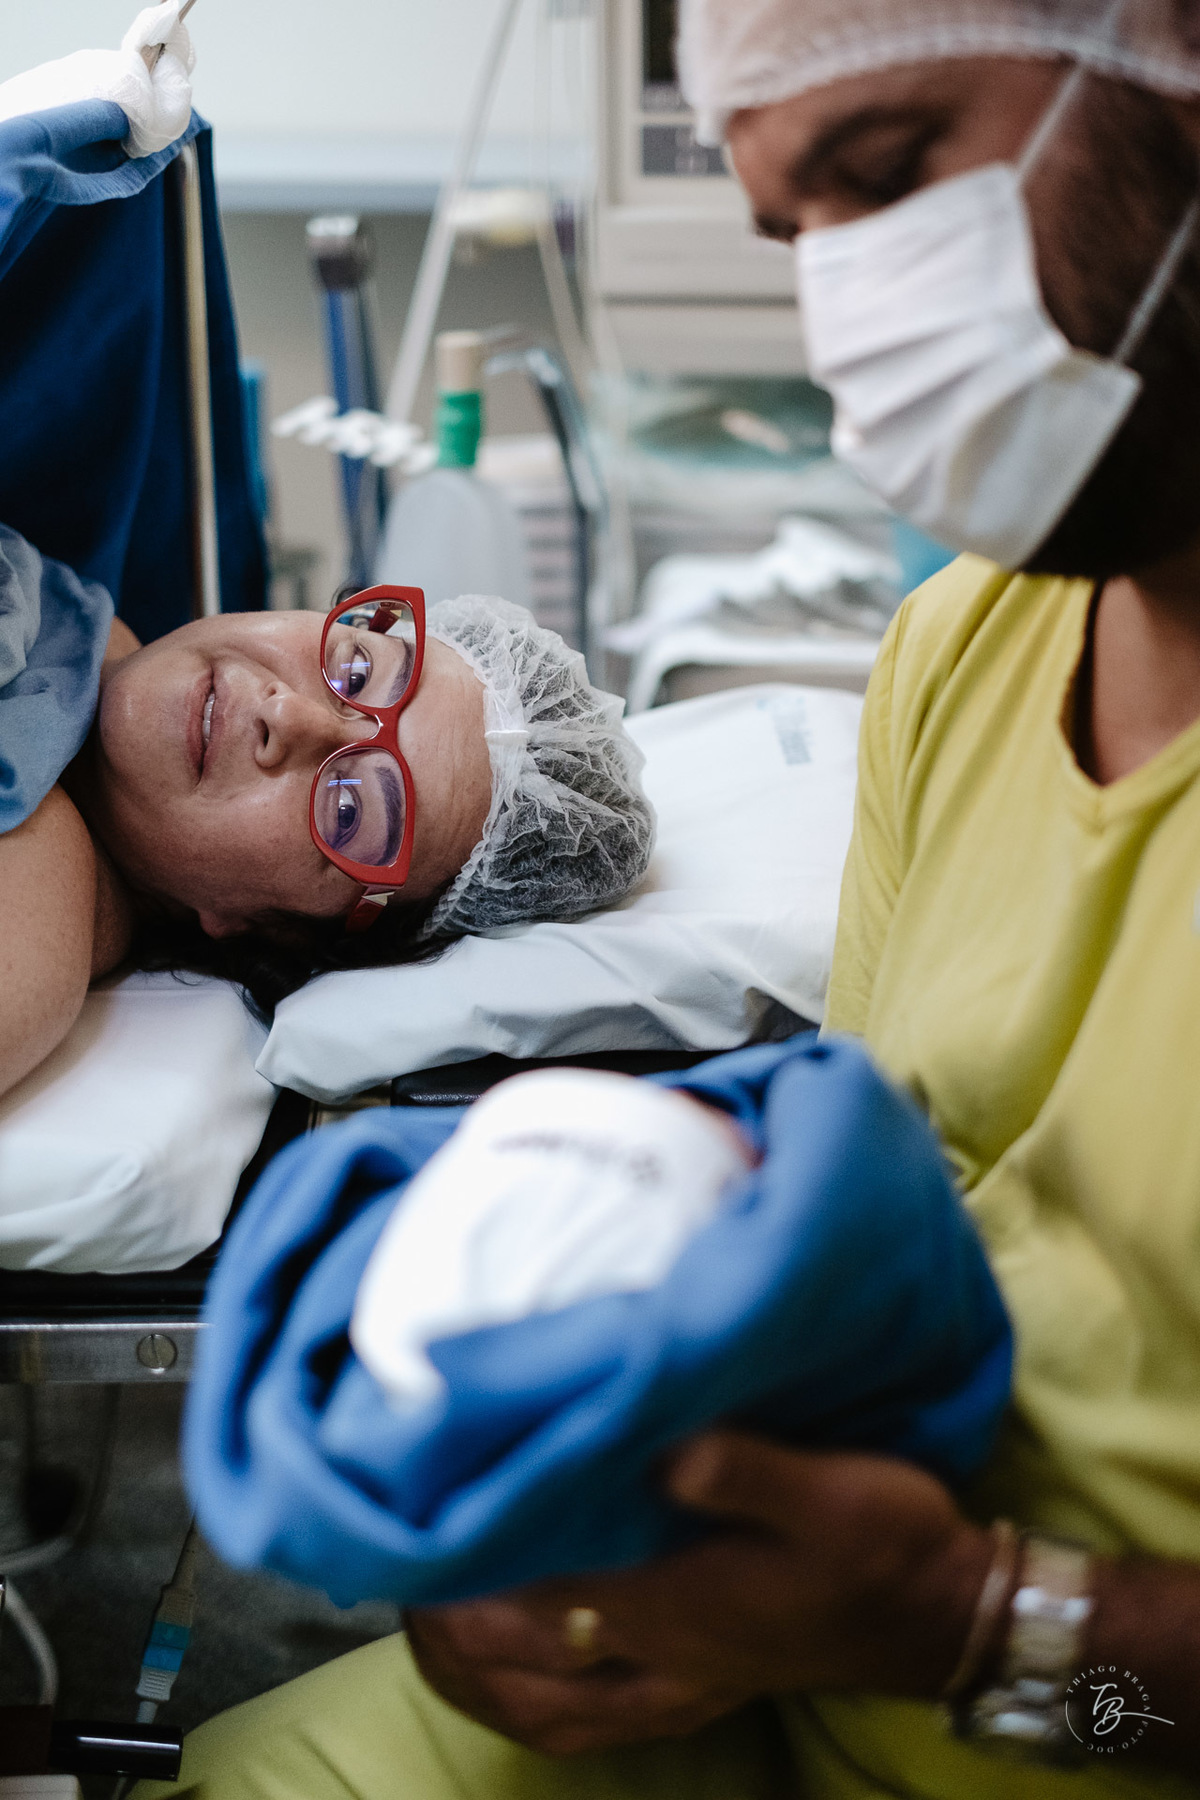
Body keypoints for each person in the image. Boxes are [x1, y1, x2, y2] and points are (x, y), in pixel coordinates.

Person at [134, 1, 1200, 1797]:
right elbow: (869, 1221)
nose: (857, 322)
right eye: (801, 234)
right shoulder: (962, 649)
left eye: (888, 172)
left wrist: (971, 1630)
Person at [0, 566, 655, 1100]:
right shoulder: (80, 620)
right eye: (359, 672)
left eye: (350, 809)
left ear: (273, 925)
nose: (290, 717)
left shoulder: (28, 930)